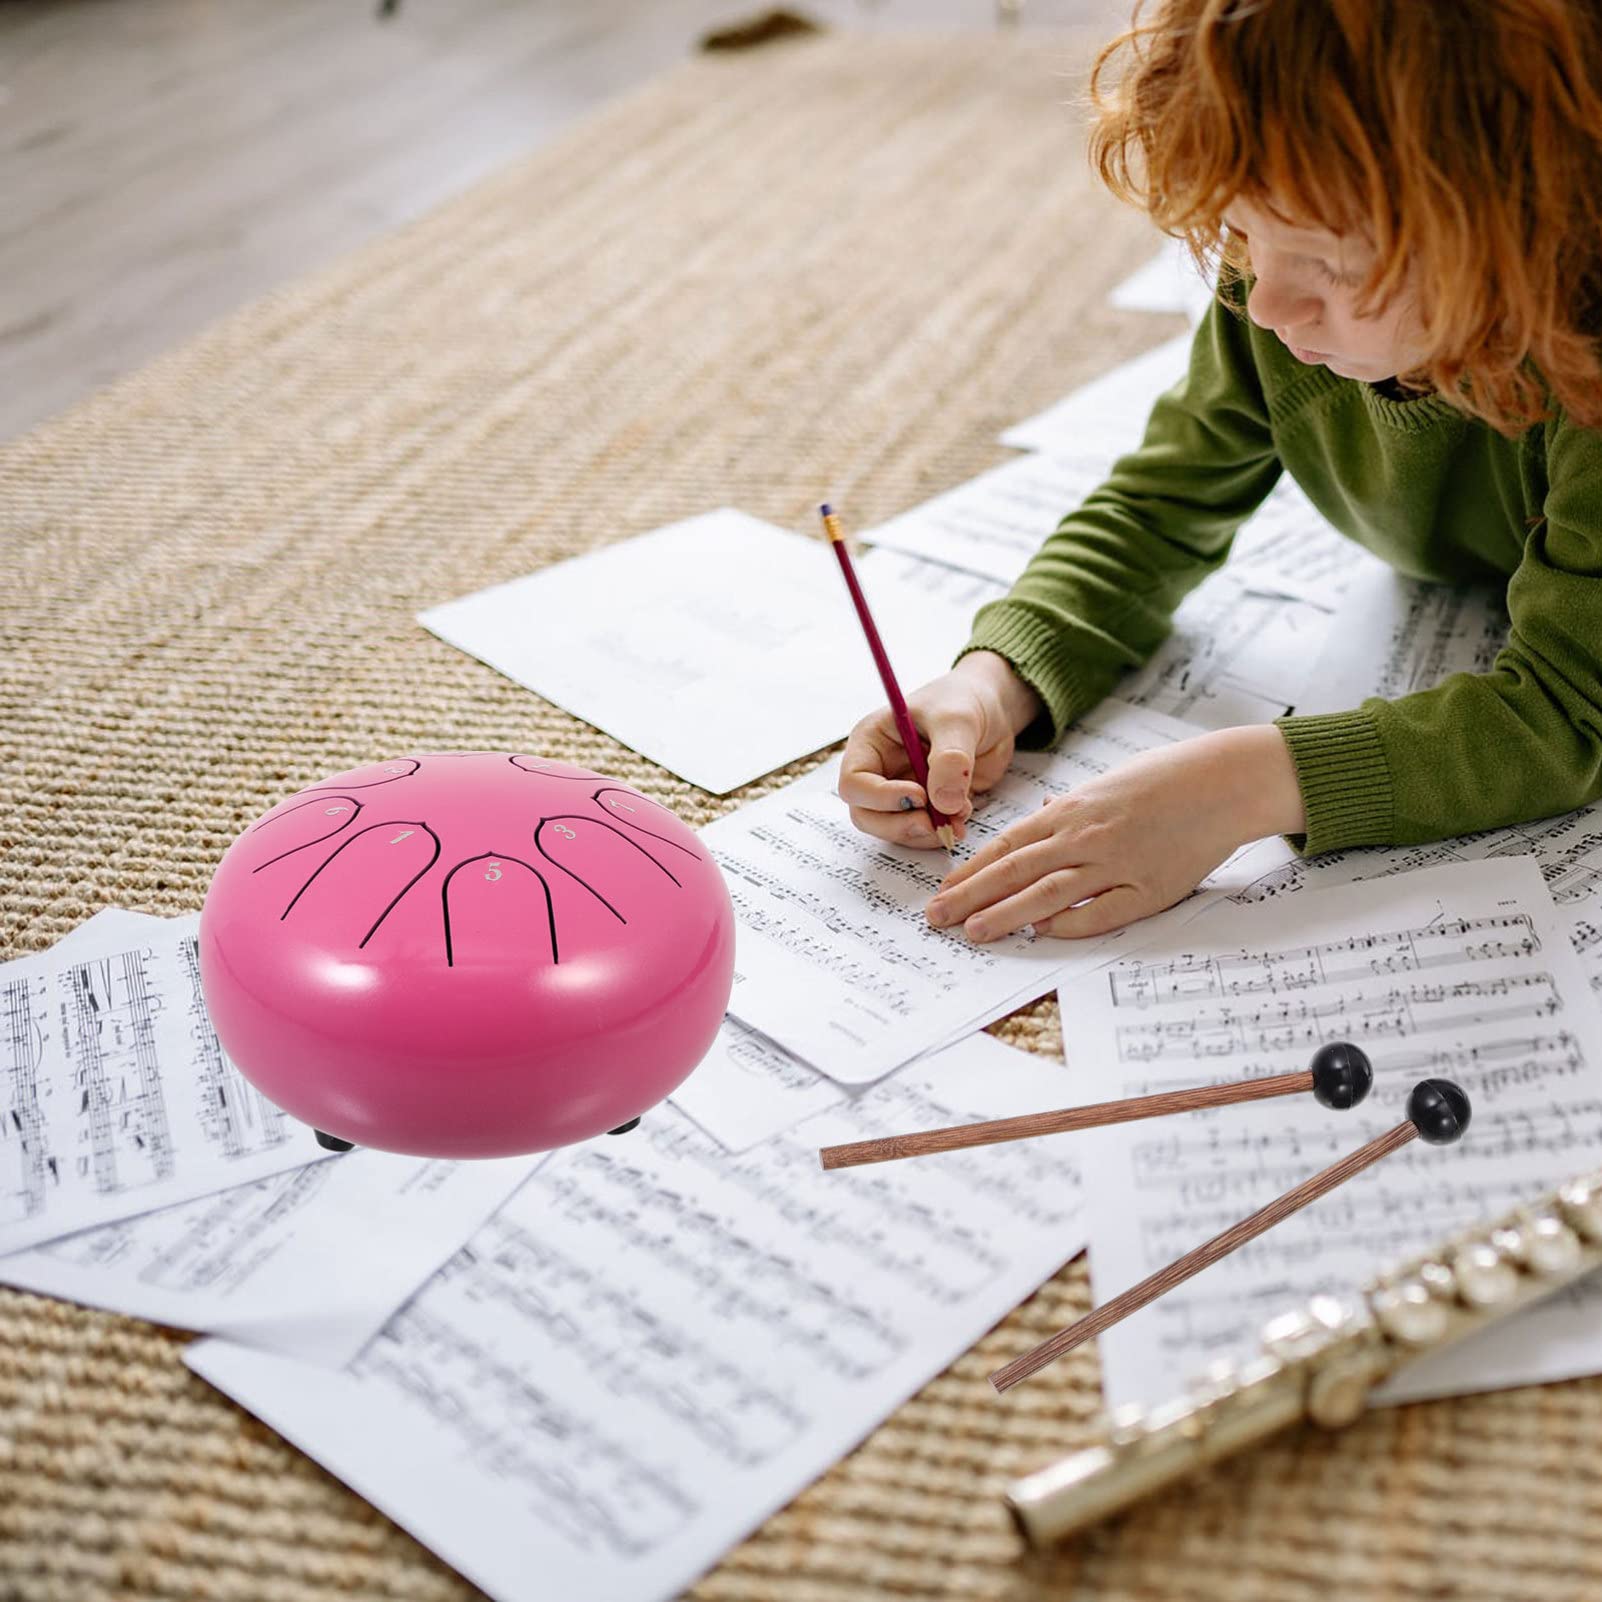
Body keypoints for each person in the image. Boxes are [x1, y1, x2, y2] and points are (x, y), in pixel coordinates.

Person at [838, 0, 1602, 945]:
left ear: (1520, 225)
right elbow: (1157, 506)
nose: (1267, 302)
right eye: (1241, 231)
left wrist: (1243, 785)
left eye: (1327, 263)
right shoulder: (1271, 297)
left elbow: (1571, 713)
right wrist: (995, 682)